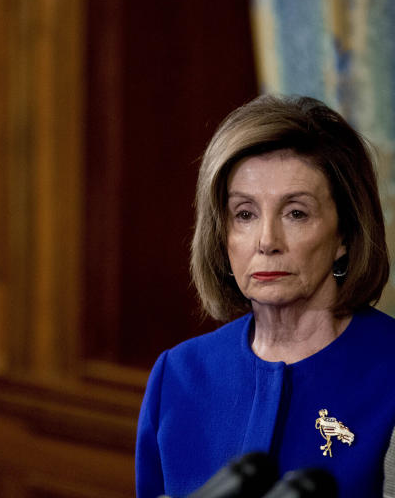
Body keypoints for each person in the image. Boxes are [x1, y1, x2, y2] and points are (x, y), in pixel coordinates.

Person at [135, 95, 395, 498]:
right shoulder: (179, 374)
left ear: (345, 233)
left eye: (296, 213)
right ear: (221, 234)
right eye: (245, 214)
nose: (267, 241)